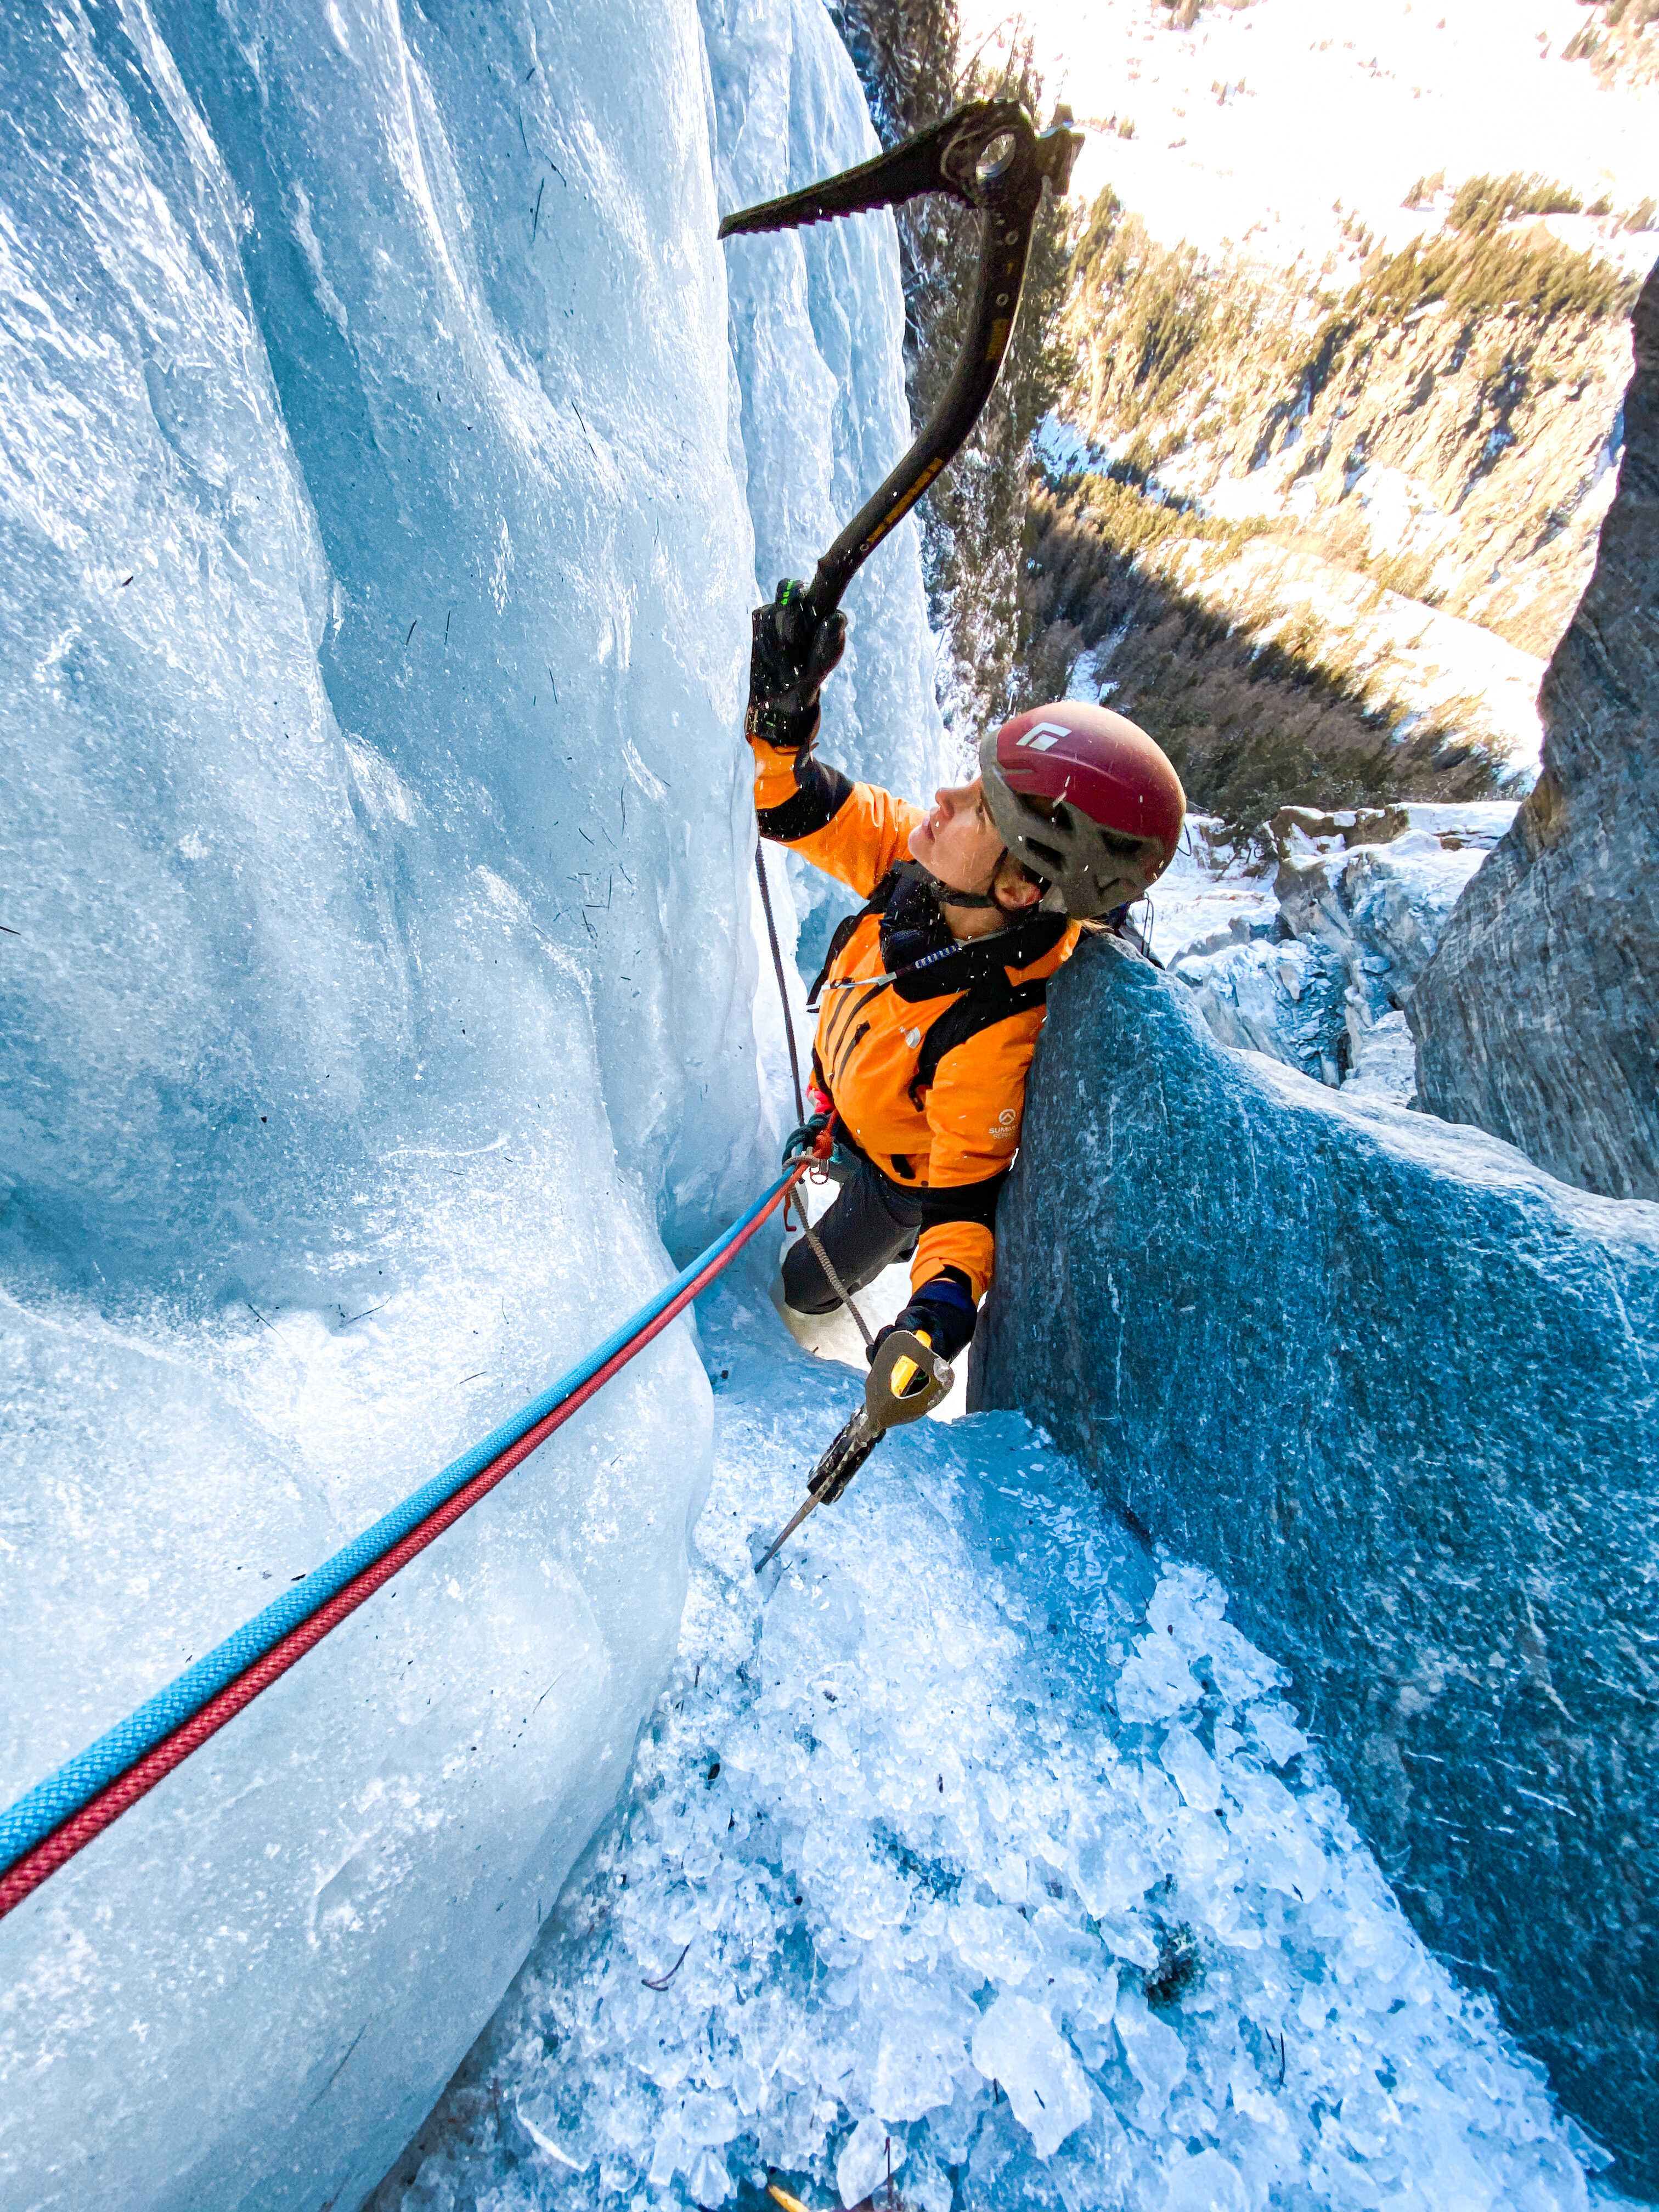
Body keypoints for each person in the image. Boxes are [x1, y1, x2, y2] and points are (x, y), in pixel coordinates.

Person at [747, 580, 1186, 1367]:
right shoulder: (916, 866)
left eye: (979, 808)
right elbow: (796, 807)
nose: (942, 800)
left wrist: (935, 1316)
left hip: (896, 1181)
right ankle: (830, 1137)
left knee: (804, 1285)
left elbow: (961, 1200)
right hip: (847, 1106)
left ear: (1019, 889)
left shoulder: (993, 1032)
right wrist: (784, 715)